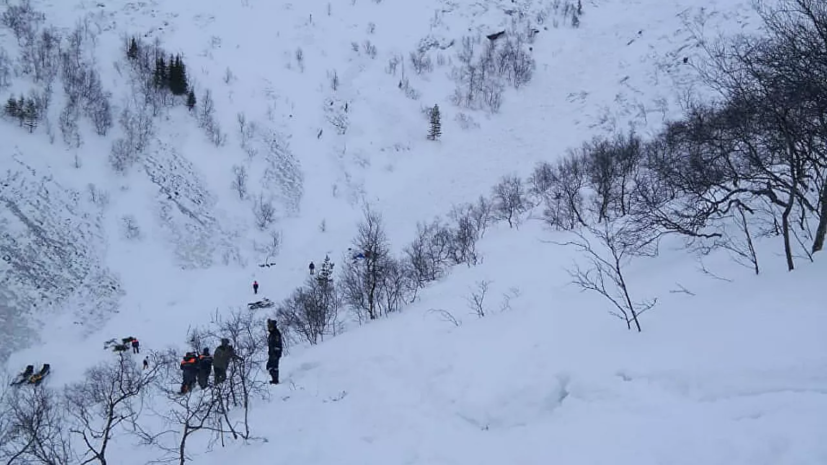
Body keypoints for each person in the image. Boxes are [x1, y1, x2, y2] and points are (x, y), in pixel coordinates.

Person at [266, 319, 283, 385]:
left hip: (275, 353)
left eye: (270, 326)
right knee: (269, 366)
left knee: (274, 366)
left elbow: (277, 344)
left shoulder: (276, 334)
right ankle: (274, 379)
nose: (269, 328)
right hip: (272, 353)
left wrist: (275, 352)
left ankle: (275, 380)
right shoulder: (272, 334)